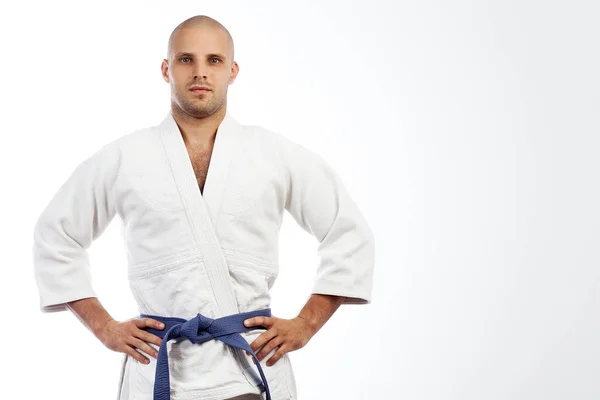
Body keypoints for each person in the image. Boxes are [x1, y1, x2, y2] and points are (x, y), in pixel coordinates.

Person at [32, 15, 375, 400]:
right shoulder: (124, 158)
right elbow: (55, 235)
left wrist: (306, 324)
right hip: (160, 370)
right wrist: (103, 326)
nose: (200, 72)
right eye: (185, 60)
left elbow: (349, 234)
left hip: (247, 370)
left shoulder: (274, 155)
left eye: (214, 60)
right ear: (166, 69)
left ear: (233, 70)